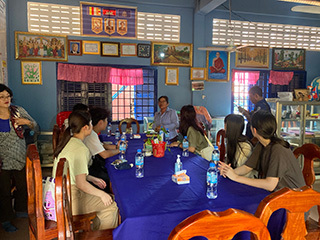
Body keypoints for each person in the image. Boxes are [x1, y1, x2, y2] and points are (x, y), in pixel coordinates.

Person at [52, 111, 118, 230]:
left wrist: (91, 178)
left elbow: (73, 171)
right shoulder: (81, 149)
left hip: (61, 195)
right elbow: (81, 184)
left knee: (105, 199)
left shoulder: (68, 141)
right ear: (86, 127)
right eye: (91, 123)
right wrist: (101, 194)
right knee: (111, 204)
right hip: (71, 199)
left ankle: (93, 232)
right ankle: (102, 236)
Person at [219, 111, 305, 192]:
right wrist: (229, 172)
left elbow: (270, 184)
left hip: (294, 197)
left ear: (254, 130)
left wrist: (236, 177)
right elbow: (247, 167)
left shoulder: (278, 149)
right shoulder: (262, 144)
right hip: (279, 193)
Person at [0, 84, 37, 232]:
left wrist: (27, 123)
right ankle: (6, 219)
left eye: (8, 96)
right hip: (2, 160)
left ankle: (21, 210)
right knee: (4, 191)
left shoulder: (17, 111)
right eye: (1, 97)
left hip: (19, 156)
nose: (6, 99)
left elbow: (36, 127)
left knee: (22, 186)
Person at [84, 107, 120, 193]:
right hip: (89, 170)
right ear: (100, 122)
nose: (107, 123)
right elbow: (104, 154)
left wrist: (116, 147)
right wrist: (120, 150)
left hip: (89, 166)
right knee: (114, 175)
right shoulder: (91, 135)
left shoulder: (93, 133)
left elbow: (102, 145)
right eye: (106, 120)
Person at [224, 114, 256, 178]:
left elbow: (244, 173)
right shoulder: (231, 142)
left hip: (243, 180)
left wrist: (228, 172)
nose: (224, 128)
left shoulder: (245, 146)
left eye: (225, 125)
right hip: (233, 176)